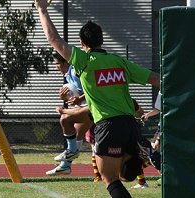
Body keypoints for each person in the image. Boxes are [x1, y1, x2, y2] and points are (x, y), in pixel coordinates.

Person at [35, 1, 160, 197]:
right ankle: (140, 152)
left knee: (110, 179)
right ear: (101, 41)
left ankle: (138, 155)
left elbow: (54, 40)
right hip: (130, 125)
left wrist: (41, 9)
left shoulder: (84, 61)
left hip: (107, 125)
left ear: (83, 44)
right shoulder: (119, 62)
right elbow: (154, 79)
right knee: (126, 175)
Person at [46, 52, 93, 176]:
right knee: (77, 136)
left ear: (65, 62)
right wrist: (66, 98)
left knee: (65, 119)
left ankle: (70, 152)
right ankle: (65, 166)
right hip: (86, 107)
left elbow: (93, 88)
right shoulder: (68, 76)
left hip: (96, 107)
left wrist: (78, 99)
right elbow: (78, 99)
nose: (56, 67)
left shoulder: (75, 72)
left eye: (57, 64)